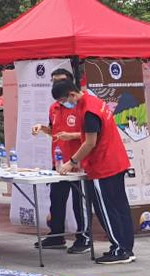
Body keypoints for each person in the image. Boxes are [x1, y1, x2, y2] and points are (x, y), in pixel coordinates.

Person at [51, 79, 135, 265]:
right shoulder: (94, 102)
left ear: (72, 95)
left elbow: (90, 142)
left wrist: (71, 162)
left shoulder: (88, 110)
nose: (65, 105)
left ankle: (120, 249)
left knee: (108, 209)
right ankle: (126, 247)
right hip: (116, 161)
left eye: (64, 101)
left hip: (105, 165)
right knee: (120, 207)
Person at [30, 68, 90, 254]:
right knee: (56, 199)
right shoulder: (54, 107)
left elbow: (90, 135)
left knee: (79, 202)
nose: (58, 85)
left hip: (78, 161)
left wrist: (71, 136)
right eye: (54, 82)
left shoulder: (80, 104)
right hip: (58, 161)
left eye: (61, 81)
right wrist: (42, 128)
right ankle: (56, 235)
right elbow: (54, 131)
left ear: (71, 83)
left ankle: (84, 238)